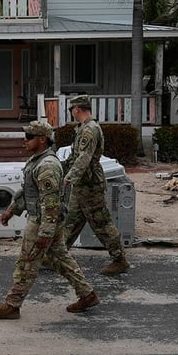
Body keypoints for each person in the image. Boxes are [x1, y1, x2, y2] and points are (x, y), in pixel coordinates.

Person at [0, 120, 100, 319]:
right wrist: (11, 210)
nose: (25, 141)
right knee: (60, 259)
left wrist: (45, 232)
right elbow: (29, 192)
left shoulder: (47, 165)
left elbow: (51, 202)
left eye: (29, 137)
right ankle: (87, 294)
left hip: (42, 221)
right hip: (46, 220)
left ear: (42, 139)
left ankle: (12, 305)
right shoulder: (37, 160)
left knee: (27, 263)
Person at [60, 95, 130, 275]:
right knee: (71, 221)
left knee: (102, 223)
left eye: (71, 110)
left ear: (77, 109)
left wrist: (69, 177)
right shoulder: (83, 128)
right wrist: (61, 168)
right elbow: (75, 156)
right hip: (83, 183)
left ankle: (119, 259)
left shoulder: (89, 130)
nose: (72, 113)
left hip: (90, 184)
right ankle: (57, 255)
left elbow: (84, 158)